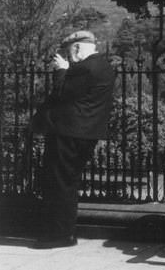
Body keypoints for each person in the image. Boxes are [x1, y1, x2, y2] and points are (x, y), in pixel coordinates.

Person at [33, 30, 115, 249]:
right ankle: (64, 233)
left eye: (69, 53)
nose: (69, 58)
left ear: (77, 48)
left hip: (68, 133)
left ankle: (60, 235)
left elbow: (62, 94)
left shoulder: (85, 68)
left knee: (59, 182)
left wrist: (61, 71)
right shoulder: (104, 66)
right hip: (85, 133)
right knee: (67, 182)